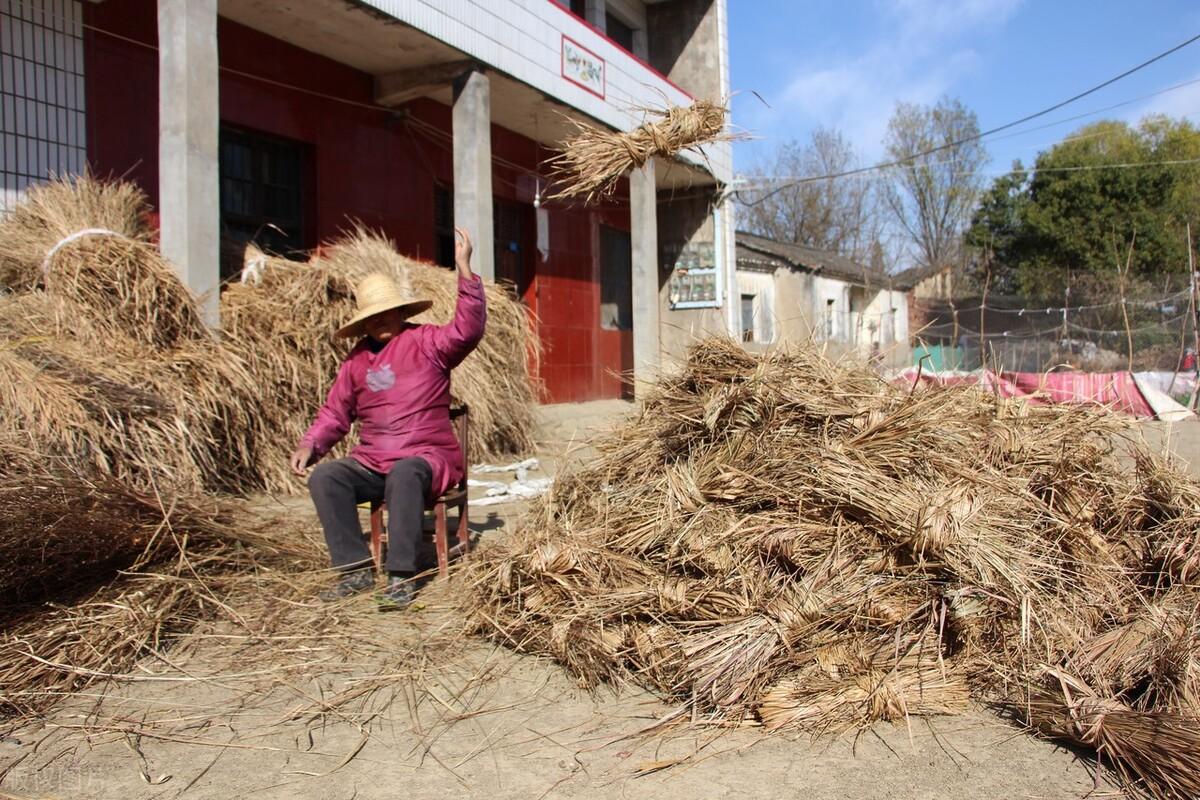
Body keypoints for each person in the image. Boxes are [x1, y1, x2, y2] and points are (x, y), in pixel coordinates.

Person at [290, 228, 486, 609]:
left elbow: (467, 330)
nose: (381, 321)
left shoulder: (428, 343)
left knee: (405, 472)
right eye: (372, 317)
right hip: (373, 462)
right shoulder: (355, 362)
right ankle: (356, 571)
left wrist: (464, 271)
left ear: (400, 311)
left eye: (387, 312)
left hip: (426, 457)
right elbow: (335, 412)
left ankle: (400, 576)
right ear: (363, 323)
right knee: (327, 477)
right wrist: (310, 444)